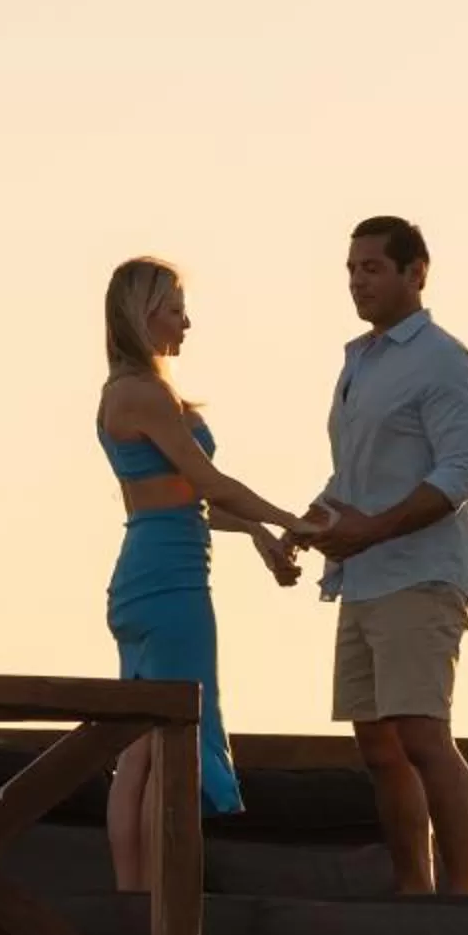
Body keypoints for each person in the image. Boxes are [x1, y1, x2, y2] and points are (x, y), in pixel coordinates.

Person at [96, 256, 317, 889]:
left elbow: (183, 498)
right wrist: (288, 520)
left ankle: (135, 898)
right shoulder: (144, 392)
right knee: (168, 746)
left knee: (139, 747)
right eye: (175, 310)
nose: (186, 323)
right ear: (144, 316)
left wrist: (254, 530)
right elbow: (208, 480)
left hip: (149, 569)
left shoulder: (126, 393)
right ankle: (153, 899)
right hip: (170, 584)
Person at [306, 216, 468, 895]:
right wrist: (303, 529)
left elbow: (460, 473)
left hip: (421, 572)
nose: (358, 280)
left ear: (416, 274)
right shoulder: (359, 360)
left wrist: (371, 529)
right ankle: (415, 893)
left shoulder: (442, 359)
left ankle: (460, 896)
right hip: (364, 576)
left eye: (373, 268)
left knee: (421, 732)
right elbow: (351, 480)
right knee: (378, 745)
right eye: (352, 268)